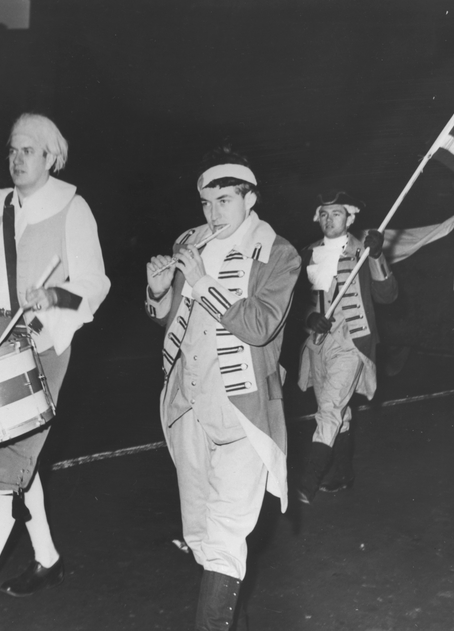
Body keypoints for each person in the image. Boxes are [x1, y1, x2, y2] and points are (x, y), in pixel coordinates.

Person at [0, 113, 110, 631]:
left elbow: (94, 284)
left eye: (28, 150)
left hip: (40, 346)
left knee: (8, 467)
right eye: (12, 148)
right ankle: (48, 558)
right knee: (16, 457)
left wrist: (53, 296)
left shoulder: (73, 208)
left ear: (52, 157)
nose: (17, 157)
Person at [145, 146, 301, 631]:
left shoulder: (279, 252)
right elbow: (171, 320)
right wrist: (156, 291)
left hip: (243, 409)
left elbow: (259, 325)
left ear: (250, 198)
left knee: (227, 531)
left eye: (226, 201)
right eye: (207, 203)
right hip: (190, 407)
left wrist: (204, 282)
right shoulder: (188, 242)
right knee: (201, 533)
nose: (214, 213)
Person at [296, 190, 398, 504]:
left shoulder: (364, 250)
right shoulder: (308, 254)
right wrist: (309, 317)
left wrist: (378, 256)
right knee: (337, 411)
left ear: (349, 217)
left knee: (329, 409)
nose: (329, 220)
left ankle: (308, 480)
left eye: (336, 213)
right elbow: (299, 303)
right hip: (318, 347)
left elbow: (388, 296)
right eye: (324, 214)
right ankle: (343, 474)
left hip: (353, 343)